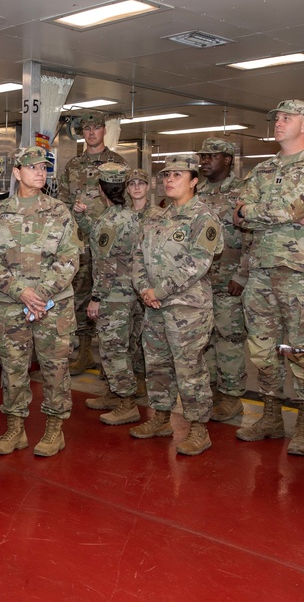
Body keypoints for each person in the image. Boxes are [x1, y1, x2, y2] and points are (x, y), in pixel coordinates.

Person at [233, 99, 304, 456]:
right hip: (259, 269)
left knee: (303, 348)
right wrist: (284, 215)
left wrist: (272, 213)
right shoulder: (262, 168)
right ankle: (271, 416)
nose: (278, 123)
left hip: (298, 273)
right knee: (261, 347)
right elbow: (239, 214)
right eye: (276, 117)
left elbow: (297, 206)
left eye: (286, 118)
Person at [0, 146, 79, 457]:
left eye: (44, 167)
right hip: (10, 305)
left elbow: (69, 258)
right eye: (32, 166)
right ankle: (15, 429)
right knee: (12, 369)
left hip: (54, 306)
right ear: (16, 172)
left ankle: (55, 429)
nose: (40, 172)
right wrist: (21, 291)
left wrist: (42, 294)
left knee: (55, 368)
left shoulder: (59, 212)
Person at [131, 155, 223, 456]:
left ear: (194, 180)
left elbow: (197, 263)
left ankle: (198, 428)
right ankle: (160, 418)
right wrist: (145, 288)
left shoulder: (203, 217)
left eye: (178, 175)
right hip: (154, 305)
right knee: (156, 364)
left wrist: (158, 290)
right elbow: (137, 257)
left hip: (187, 308)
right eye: (166, 175)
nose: (169, 180)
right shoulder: (155, 216)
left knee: (189, 368)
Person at [57, 112, 128, 380]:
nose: (91, 132)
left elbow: (125, 201)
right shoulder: (73, 165)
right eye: (86, 129)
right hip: (79, 242)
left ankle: (115, 362)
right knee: (80, 297)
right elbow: (62, 201)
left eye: (96, 128)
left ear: (104, 131)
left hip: (108, 245)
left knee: (110, 298)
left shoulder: (117, 163)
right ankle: (85, 352)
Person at [81, 163, 141, 426]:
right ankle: (114, 394)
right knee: (123, 345)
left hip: (113, 295)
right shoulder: (128, 216)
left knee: (113, 349)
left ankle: (127, 403)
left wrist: (96, 298)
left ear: (101, 189)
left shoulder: (109, 221)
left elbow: (104, 264)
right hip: (130, 291)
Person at [196, 138, 251, 422]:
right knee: (204, 339)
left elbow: (251, 236)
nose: (204, 160)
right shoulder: (197, 193)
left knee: (229, 338)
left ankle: (232, 397)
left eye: (211, 155)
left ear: (228, 159)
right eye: (202, 155)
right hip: (201, 281)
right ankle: (213, 391)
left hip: (229, 278)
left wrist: (242, 274)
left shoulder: (242, 191)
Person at [126, 168, 153, 394]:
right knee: (125, 334)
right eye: (132, 183)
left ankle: (143, 377)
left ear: (148, 186)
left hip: (146, 283)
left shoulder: (159, 215)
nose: (136, 187)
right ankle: (124, 381)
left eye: (141, 183)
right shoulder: (120, 215)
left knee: (145, 333)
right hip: (123, 283)